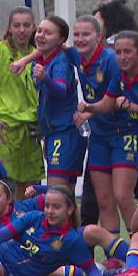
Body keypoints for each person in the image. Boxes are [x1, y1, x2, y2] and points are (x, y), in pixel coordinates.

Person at [66, 15, 132, 235]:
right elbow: (55, 46)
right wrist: (25, 61)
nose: (80, 39)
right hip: (99, 136)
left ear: (99, 37)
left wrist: (88, 110)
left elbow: (114, 101)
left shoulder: (111, 60)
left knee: (123, 196)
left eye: (86, 34)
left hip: (123, 134)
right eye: (76, 34)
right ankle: (115, 255)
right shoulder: (77, 56)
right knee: (103, 200)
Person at [80, 31, 138, 195]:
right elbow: (106, 104)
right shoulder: (120, 75)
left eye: (127, 52)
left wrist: (132, 107)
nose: (122, 57)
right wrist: (88, 108)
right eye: (118, 52)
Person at [0, 6, 44, 194]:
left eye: (26, 25)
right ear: (9, 28)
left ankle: (26, 223)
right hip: (4, 129)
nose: (21, 30)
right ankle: (2, 224)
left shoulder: (36, 54)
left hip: (30, 131)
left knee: (30, 188)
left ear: (34, 28)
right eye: (17, 25)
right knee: (3, 185)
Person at [29, 16, 85, 188]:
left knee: (57, 193)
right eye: (39, 31)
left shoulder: (60, 61)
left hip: (65, 131)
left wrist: (46, 78)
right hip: (54, 132)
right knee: (64, 195)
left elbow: (61, 91)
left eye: (48, 33)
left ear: (61, 39)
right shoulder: (42, 59)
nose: (41, 35)